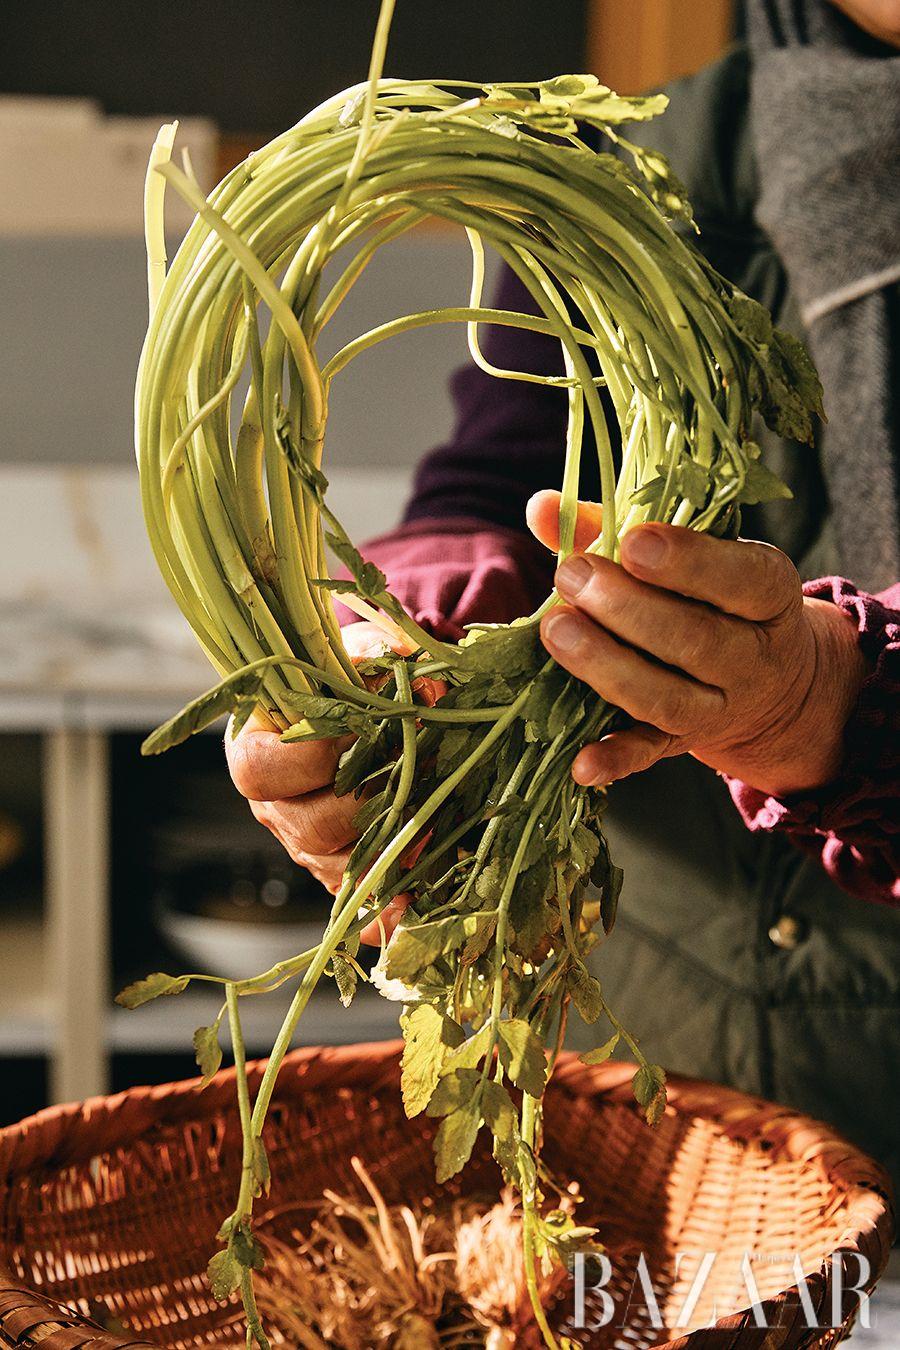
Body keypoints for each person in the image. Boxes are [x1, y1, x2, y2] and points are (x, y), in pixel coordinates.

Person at [226, 0, 900, 1192]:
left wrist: (839, 705)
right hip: (676, 1107)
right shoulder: (646, 166)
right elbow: (498, 473)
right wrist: (402, 649)